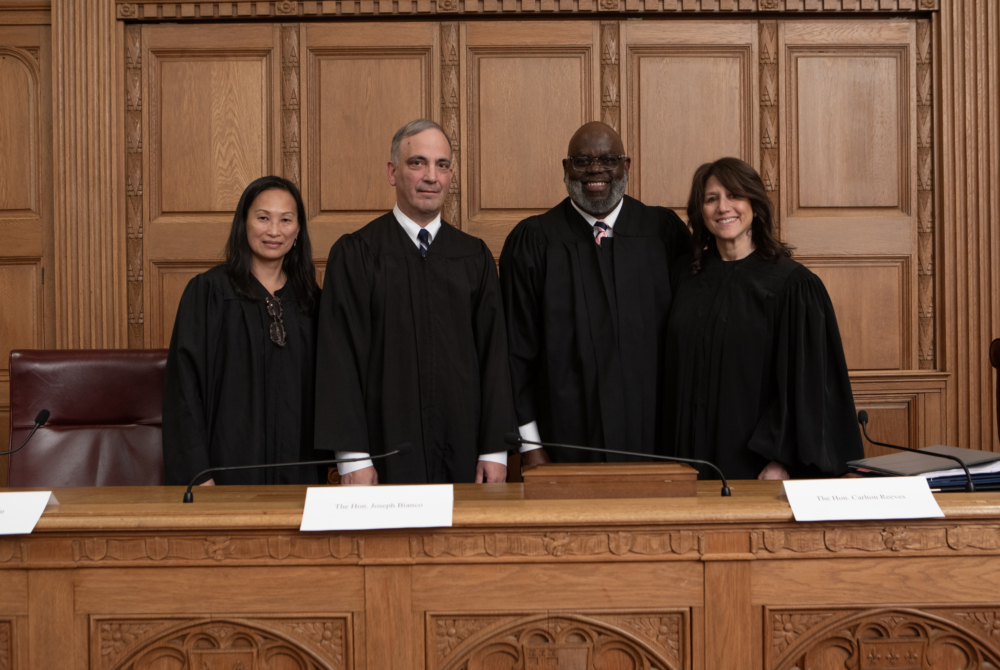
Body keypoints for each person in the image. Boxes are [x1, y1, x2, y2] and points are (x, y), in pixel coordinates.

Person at [314, 119, 515, 485]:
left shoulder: (473, 257)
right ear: (393, 172)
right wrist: (352, 458)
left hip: (465, 451)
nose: (431, 176)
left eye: (442, 165)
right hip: (382, 452)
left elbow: (494, 356)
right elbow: (339, 358)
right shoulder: (357, 254)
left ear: (451, 175)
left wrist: (494, 450)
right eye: (417, 163)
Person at [499, 122, 691, 466]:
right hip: (565, 442)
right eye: (582, 160)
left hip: (657, 440)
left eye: (609, 159)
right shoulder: (534, 242)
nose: (596, 170)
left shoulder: (663, 233)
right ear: (565, 168)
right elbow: (515, 352)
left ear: (626, 166)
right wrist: (530, 446)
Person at [664, 157, 863, 481]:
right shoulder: (684, 279)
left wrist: (779, 458)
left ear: (754, 204)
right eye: (711, 199)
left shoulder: (793, 286)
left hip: (755, 465)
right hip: (686, 458)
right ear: (700, 211)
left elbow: (809, 385)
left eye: (734, 196)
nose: (723, 207)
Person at [162, 176, 321, 486]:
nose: (274, 231)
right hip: (225, 475)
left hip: (300, 475)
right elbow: (184, 389)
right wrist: (198, 473)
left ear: (299, 229)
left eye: (286, 220)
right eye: (263, 218)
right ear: (244, 223)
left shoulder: (312, 302)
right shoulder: (209, 294)